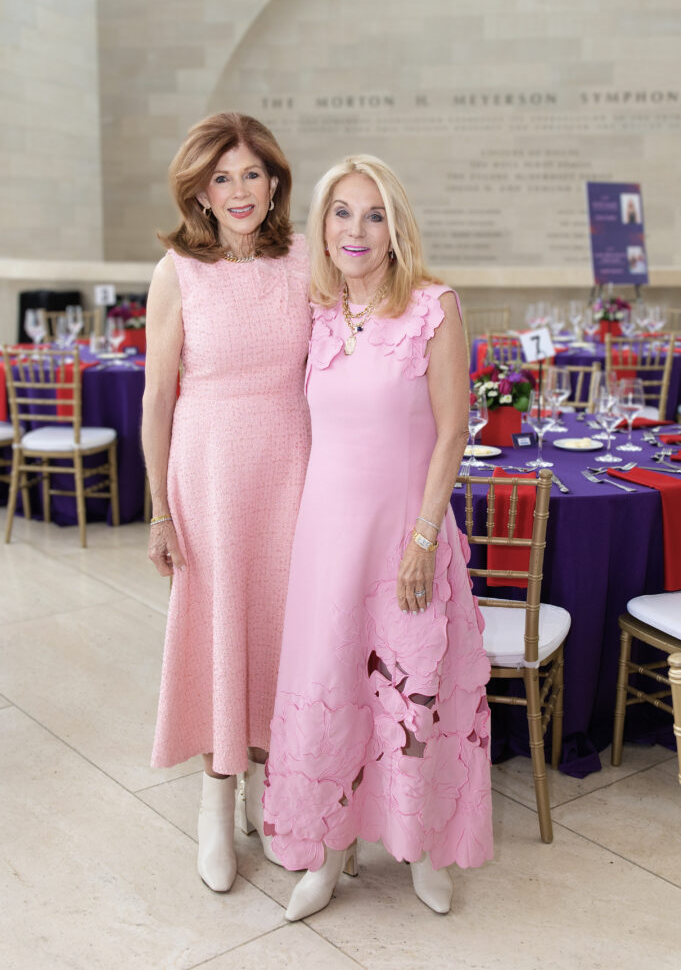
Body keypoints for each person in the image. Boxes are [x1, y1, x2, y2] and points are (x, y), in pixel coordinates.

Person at [262, 156, 493, 920]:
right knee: (331, 690)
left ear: (394, 228)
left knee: (410, 697)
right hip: (325, 543)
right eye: (339, 213)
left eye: (371, 215)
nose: (354, 230)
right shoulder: (316, 314)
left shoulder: (433, 307)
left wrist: (423, 539)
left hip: (405, 539)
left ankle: (420, 845)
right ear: (320, 228)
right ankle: (327, 854)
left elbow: (453, 432)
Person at [143, 112, 311, 893]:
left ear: (273, 181)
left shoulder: (307, 258)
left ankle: (271, 788)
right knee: (219, 629)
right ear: (200, 193)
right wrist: (158, 510)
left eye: (250, 174)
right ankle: (216, 798)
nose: (238, 191)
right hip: (208, 469)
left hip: (293, 466)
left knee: (280, 629)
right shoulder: (179, 268)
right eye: (221, 178)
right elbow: (154, 401)